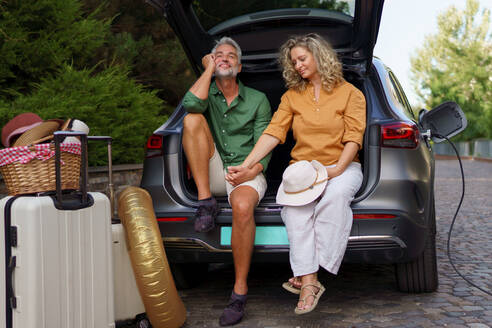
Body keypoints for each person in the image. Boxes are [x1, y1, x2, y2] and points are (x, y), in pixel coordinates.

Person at [227, 33, 366, 315]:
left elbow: (354, 137)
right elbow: (273, 133)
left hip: (342, 166)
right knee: (294, 212)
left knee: (334, 198)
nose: (298, 65)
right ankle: (310, 280)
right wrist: (247, 163)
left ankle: (306, 278)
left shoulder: (351, 93)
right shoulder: (292, 96)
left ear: (319, 56)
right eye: (294, 62)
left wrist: (338, 168)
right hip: (302, 171)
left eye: (302, 59)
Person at [181, 37, 272, 326]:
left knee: (243, 207)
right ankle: (205, 201)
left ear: (239, 66)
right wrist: (207, 69)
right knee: (192, 119)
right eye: (218, 55)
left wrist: (250, 170)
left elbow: (265, 145)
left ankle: (239, 291)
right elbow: (190, 103)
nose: (224, 58)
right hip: (214, 170)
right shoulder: (207, 93)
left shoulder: (258, 99)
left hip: (248, 169)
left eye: (230, 56)